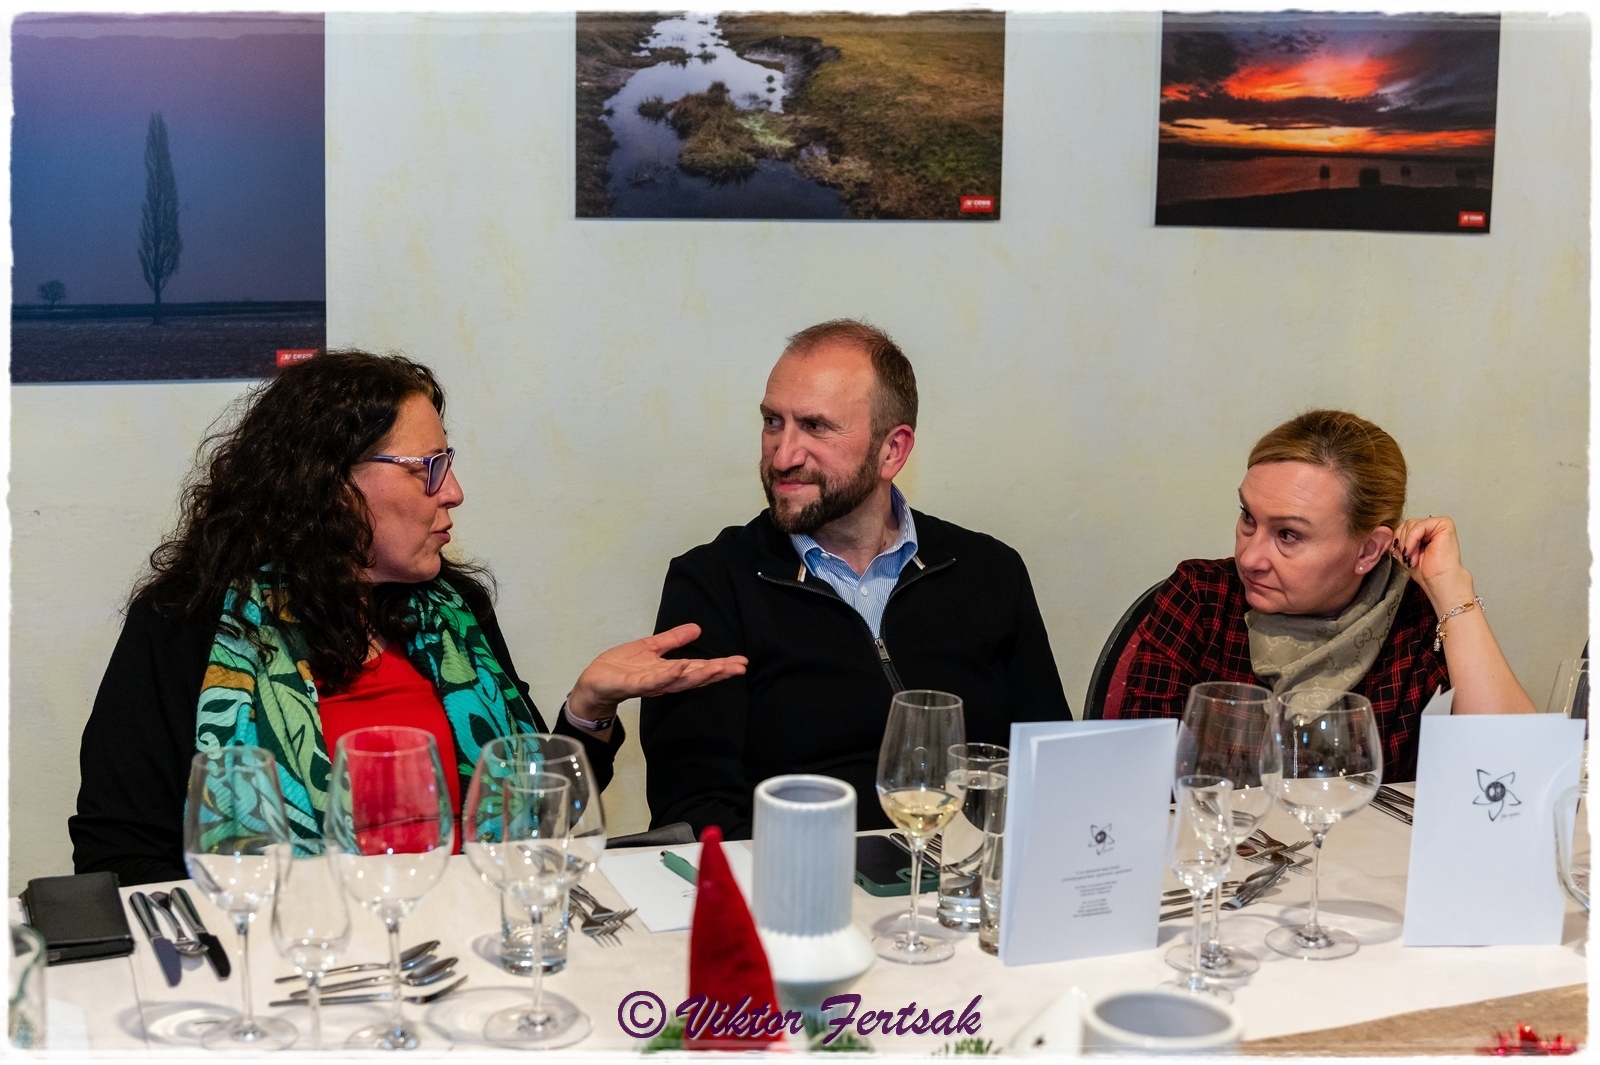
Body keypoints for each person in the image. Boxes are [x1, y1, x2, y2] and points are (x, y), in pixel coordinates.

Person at [70, 350, 745, 886]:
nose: (454, 492)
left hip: (460, 944)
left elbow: (533, 824)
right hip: (288, 961)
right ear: (330, 482)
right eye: (429, 468)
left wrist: (587, 710)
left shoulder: (453, 612)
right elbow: (120, 854)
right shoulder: (185, 624)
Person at [640, 319, 1071, 837]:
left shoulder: (988, 571)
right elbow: (693, 810)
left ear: (893, 450)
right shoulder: (712, 584)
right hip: (798, 875)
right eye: (773, 422)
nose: (783, 455)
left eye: (815, 427)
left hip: (975, 874)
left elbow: (1055, 769)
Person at [1114, 409, 1534, 779]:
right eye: (1248, 517)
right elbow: (1140, 777)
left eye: (1288, 535)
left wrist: (1451, 589)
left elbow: (1513, 767)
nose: (1250, 557)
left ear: (1367, 550)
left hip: (1369, 848)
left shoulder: (1414, 620)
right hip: (1225, 845)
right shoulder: (1202, 598)